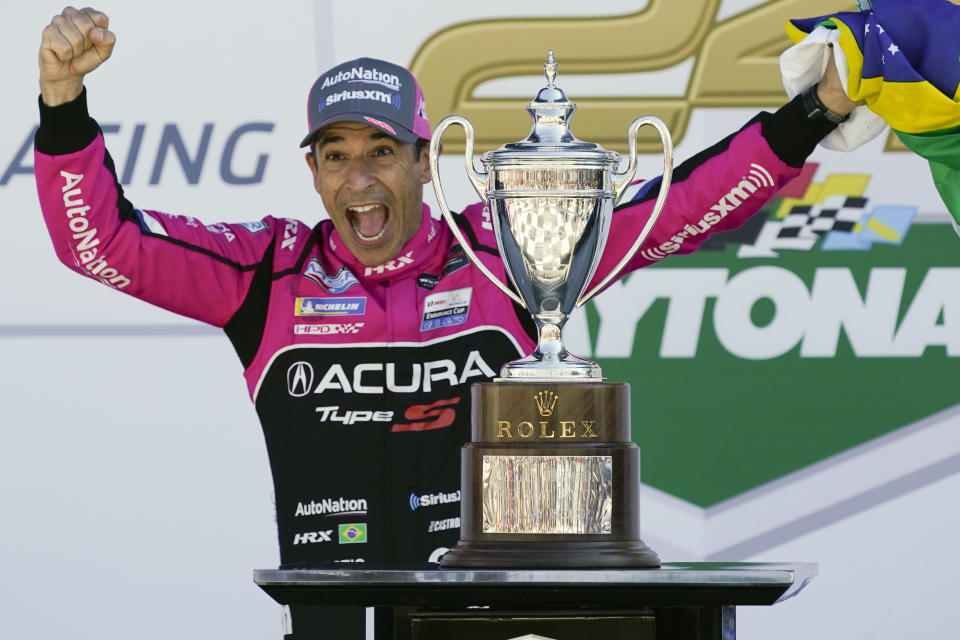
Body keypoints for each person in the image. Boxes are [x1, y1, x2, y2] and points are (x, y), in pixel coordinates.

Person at [35, 6, 858, 639]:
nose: (360, 177)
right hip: (334, 625)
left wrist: (812, 112)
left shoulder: (500, 251)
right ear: (313, 171)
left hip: (497, 627)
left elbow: (676, 206)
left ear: (425, 160)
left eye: (382, 150)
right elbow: (100, 243)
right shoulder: (267, 274)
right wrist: (64, 102)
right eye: (335, 154)